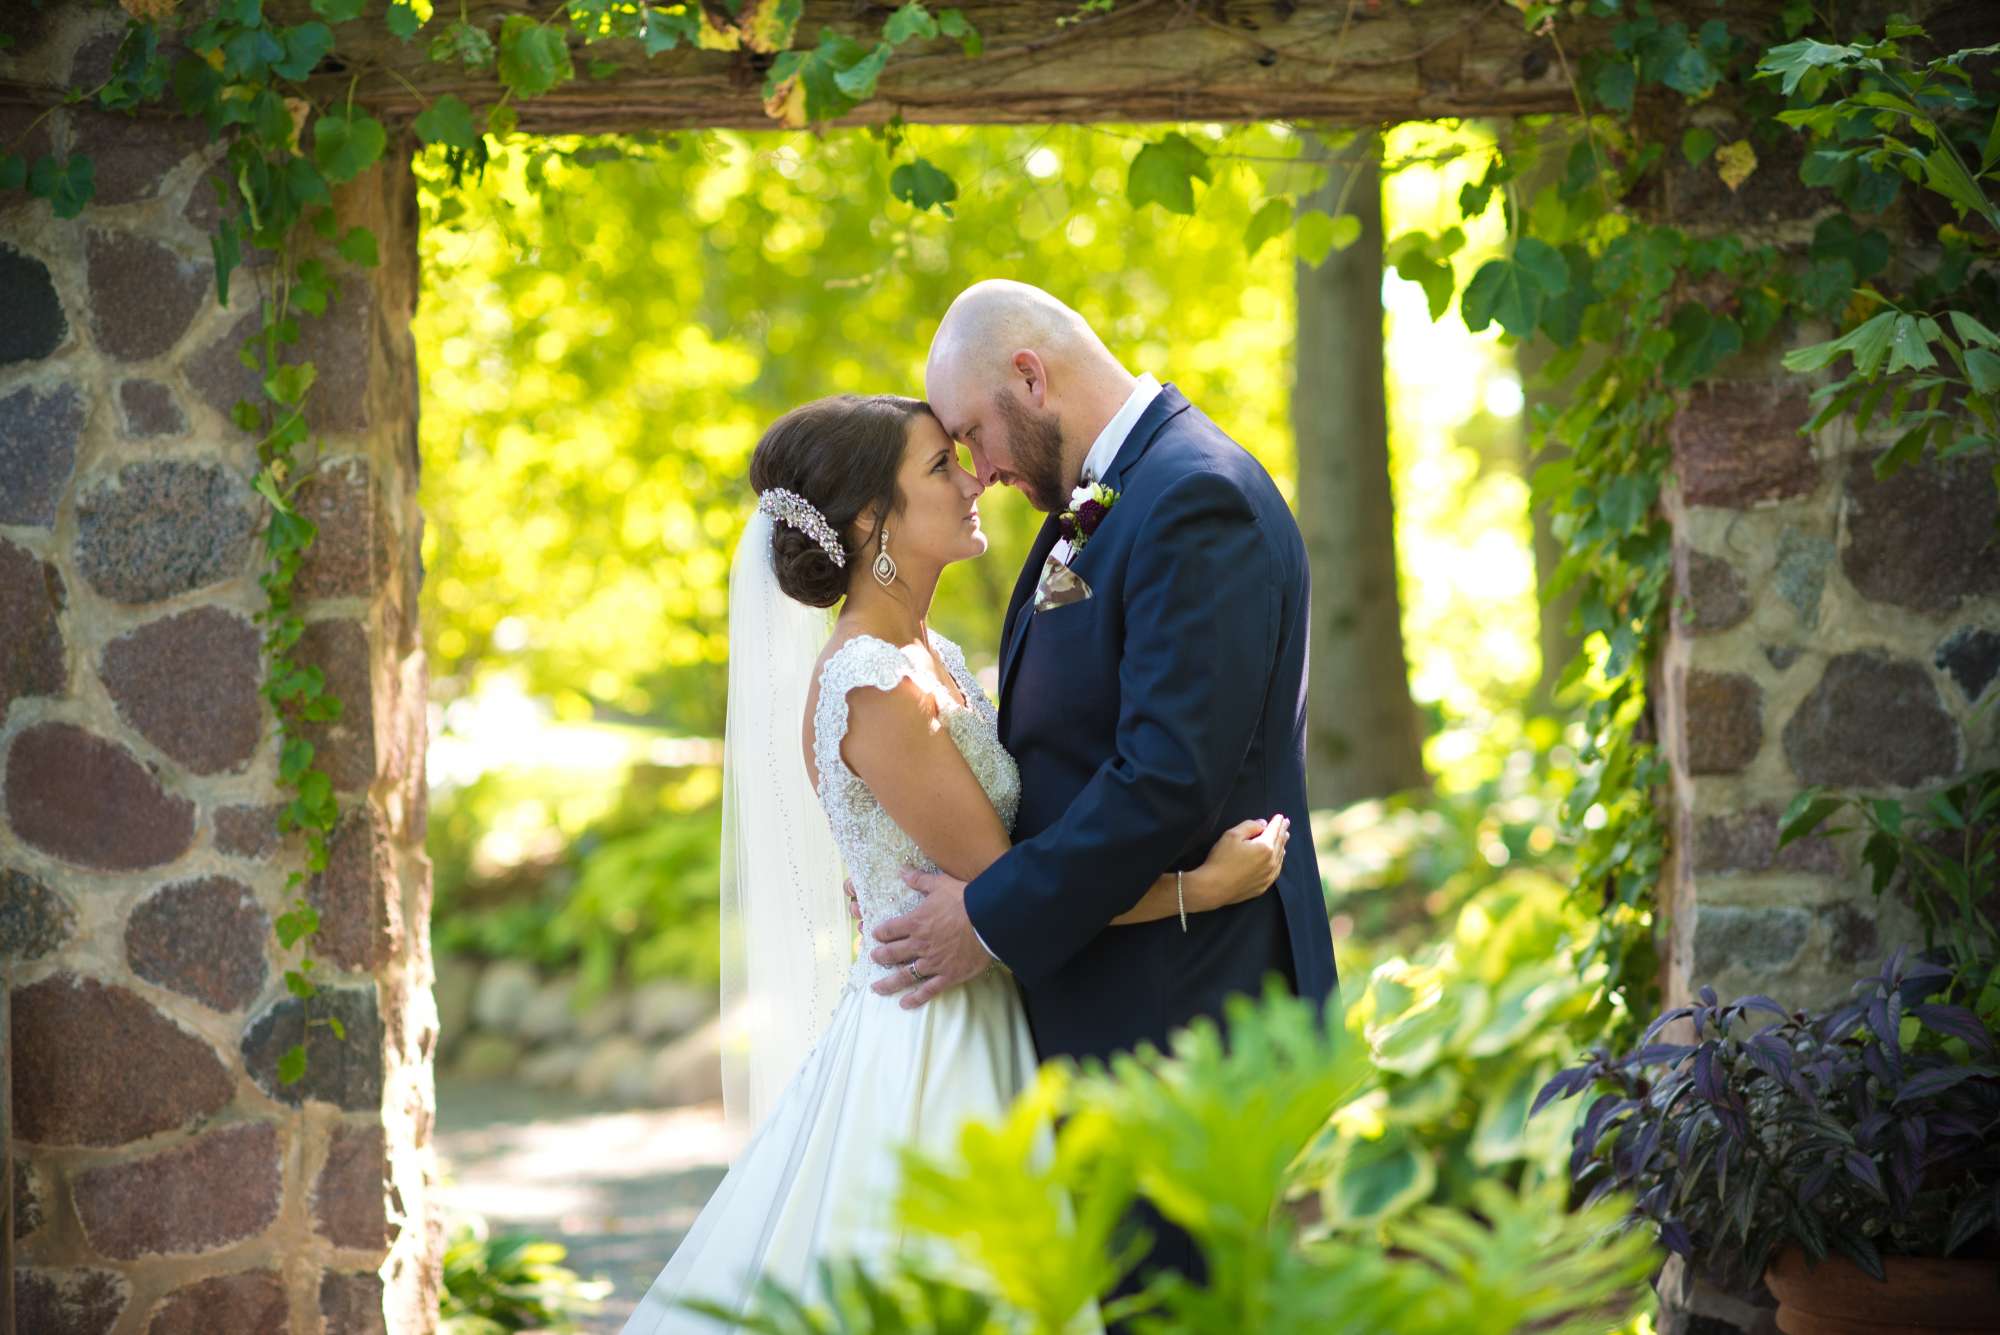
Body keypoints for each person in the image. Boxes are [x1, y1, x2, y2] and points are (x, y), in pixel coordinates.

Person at [617, 389, 1290, 1332]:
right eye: (940, 467)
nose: (972, 477)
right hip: (936, 1040)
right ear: (869, 523)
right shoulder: (872, 683)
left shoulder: (926, 654)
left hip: (988, 1007)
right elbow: (1012, 885)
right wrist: (1198, 887)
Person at [862, 279, 1340, 1294]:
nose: (977, 472)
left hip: (1185, 1013)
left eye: (971, 435)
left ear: (1029, 376)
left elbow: (1163, 780)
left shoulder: (1193, 496)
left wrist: (985, 917)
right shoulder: (1109, 497)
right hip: (1125, 1003)